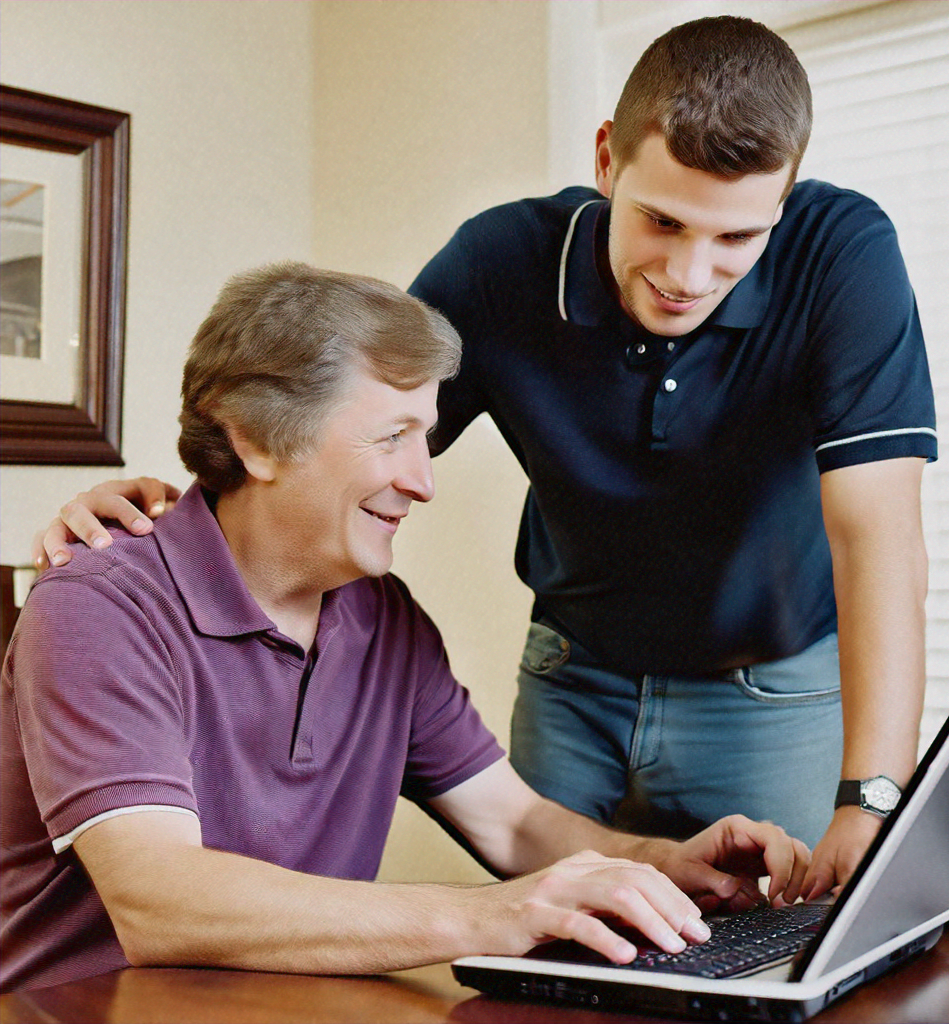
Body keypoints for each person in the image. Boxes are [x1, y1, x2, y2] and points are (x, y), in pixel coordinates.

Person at [31, 17, 935, 901]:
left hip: (769, 681)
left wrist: (871, 799)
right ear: (605, 161)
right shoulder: (502, 263)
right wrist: (176, 504)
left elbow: (878, 539)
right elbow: (337, 412)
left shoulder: (840, 254)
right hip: (576, 669)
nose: (689, 274)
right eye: (661, 221)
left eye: (737, 238)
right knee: (559, 951)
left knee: (764, 949)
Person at [0, 263, 810, 994]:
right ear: (253, 438)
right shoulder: (100, 605)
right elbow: (158, 900)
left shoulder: (385, 620)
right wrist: (496, 915)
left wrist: (662, 863)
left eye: (424, 436)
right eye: (392, 437)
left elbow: (514, 821)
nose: (423, 482)